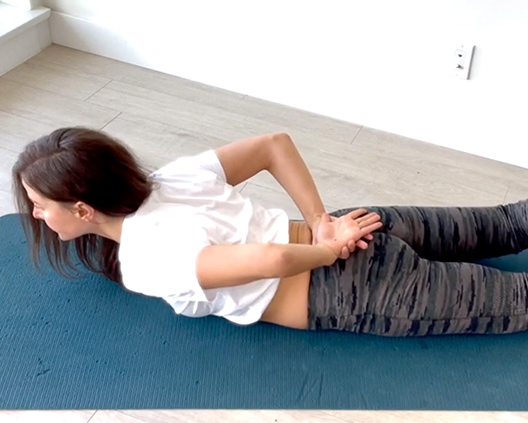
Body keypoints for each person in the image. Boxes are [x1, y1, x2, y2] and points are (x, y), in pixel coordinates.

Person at [11, 127, 528, 337]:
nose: (35, 216)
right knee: (506, 221)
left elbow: (273, 262)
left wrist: (327, 249)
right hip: (357, 221)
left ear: (82, 209)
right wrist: (324, 220)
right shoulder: (171, 177)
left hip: (344, 284)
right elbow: (274, 143)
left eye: (38, 206)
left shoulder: (146, 262)